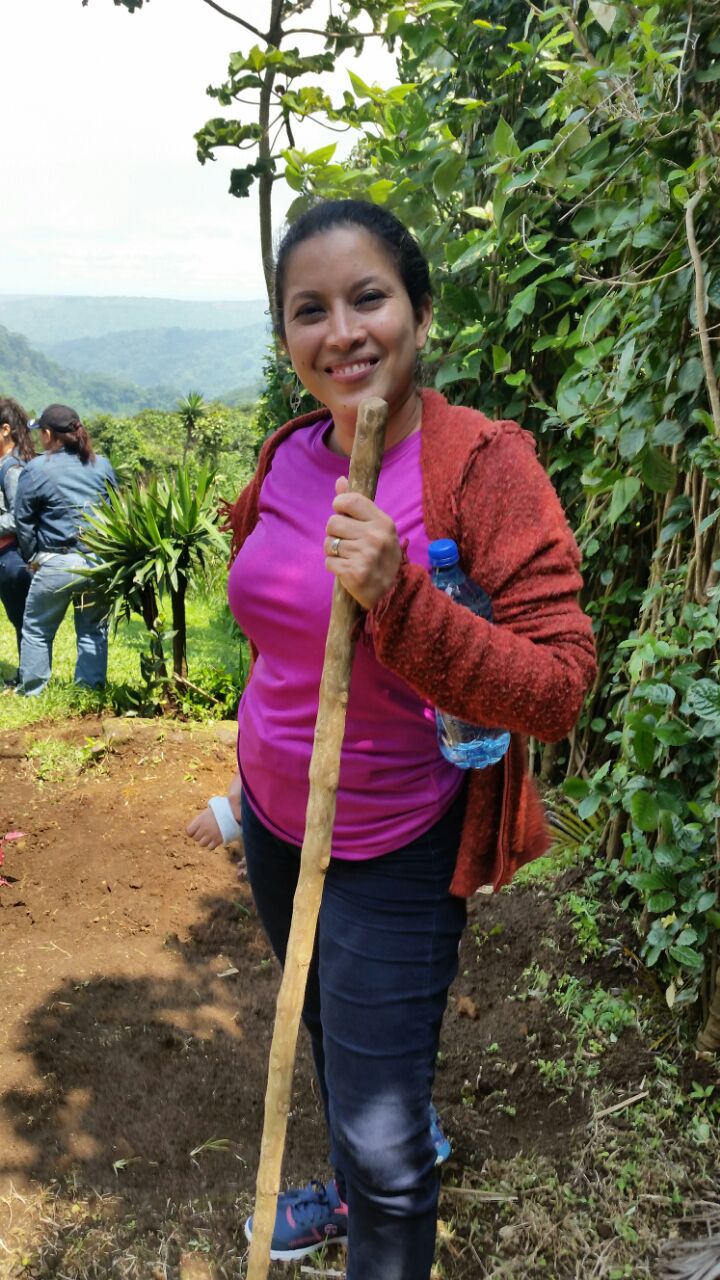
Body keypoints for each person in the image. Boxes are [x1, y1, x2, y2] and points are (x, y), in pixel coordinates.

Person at [187, 199, 597, 1280]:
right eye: (308, 310)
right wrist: (241, 793)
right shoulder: (287, 454)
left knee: (387, 1147)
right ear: (285, 334)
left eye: (368, 297)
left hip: (399, 841)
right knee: (328, 1030)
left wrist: (401, 598)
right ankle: (346, 1188)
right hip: (277, 819)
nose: (342, 332)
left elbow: (559, 686)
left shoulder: (483, 467)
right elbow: (278, 634)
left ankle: (375, 1194)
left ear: (419, 309)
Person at [14, 404, 117, 697]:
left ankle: (33, 691)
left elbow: (24, 521)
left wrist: (32, 557)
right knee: (93, 629)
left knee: (37, 629)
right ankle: (89, 691)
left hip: (57, 563)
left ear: (48, 434)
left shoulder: (36, 469)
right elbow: (115, 512)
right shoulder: (102, 465)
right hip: (97, 562)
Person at [0, 397, 34, 685]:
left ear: (5, 429)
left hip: (11, 557)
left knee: (21, 618)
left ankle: (28, 676)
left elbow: (18, 516)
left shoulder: (12, 469)